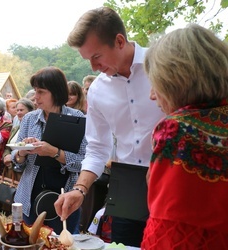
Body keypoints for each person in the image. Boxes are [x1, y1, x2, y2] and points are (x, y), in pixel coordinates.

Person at [54, 7, 164, 247]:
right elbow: (96, 148)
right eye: (87, 60)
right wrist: (79, 189)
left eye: (96, 57)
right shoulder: (98, 90)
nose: (93, 68)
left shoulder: (164, 67)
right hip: (126, 190)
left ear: (119, 41)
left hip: (170, 183)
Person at [141, 24, 228, 249]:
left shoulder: (177, 130)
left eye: (155, 84)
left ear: (175, 80)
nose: (152, 95)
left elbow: (167, 235)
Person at [12, 66, 87, 235]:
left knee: (62, 242)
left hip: (64, 196)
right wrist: (23, 151)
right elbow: (16, 159)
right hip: (29, 196)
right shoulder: (30, 118)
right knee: (29, 242)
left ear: (56, 92)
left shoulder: (78, 119)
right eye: (35, 91)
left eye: (41, 92)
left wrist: (54, 152)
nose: (35, 97)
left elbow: (83, 162)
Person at [3, 98, 35, 179]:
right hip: (11, 170)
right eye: (17, 110)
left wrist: (14, 157)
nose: (18, 113)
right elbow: (8, 146)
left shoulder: (33, 129)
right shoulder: (15, 128)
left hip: (26, 171)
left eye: (21, 110)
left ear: (30, 111)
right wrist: (6, 156)